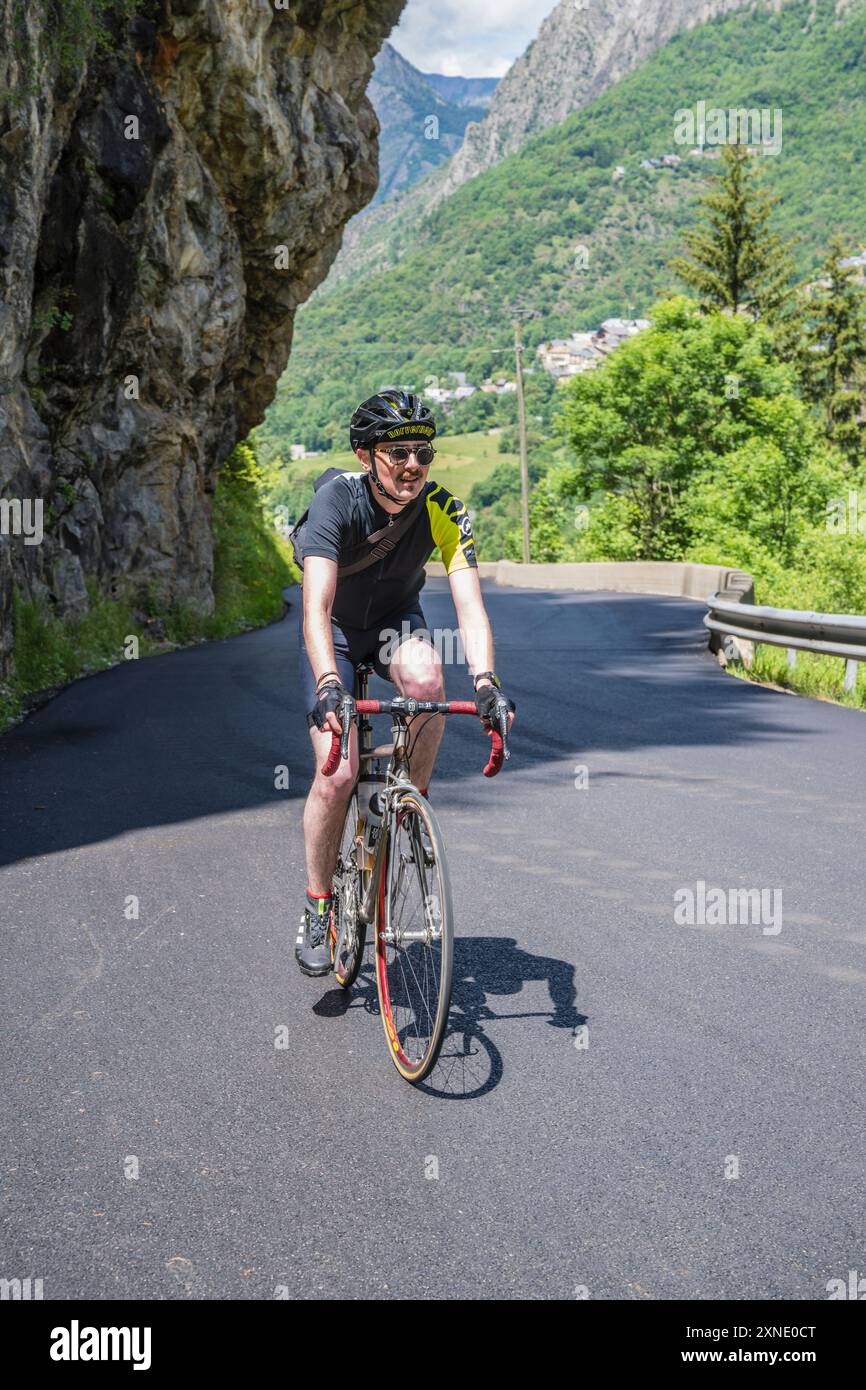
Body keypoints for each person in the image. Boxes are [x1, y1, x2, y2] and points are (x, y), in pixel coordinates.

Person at [295, 388, 515, 976]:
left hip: (394, 623)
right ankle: (318, 907)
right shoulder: (335, 503)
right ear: (368, 456)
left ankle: (408, 805)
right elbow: (315, 606)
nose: (414, 465)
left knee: (425, 681)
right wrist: (326, 686)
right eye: (399, 452)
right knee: (336, 774)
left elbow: (469, 608)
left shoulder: (445, 507)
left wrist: (488, 682)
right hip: (337, 631)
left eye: (424, 452)